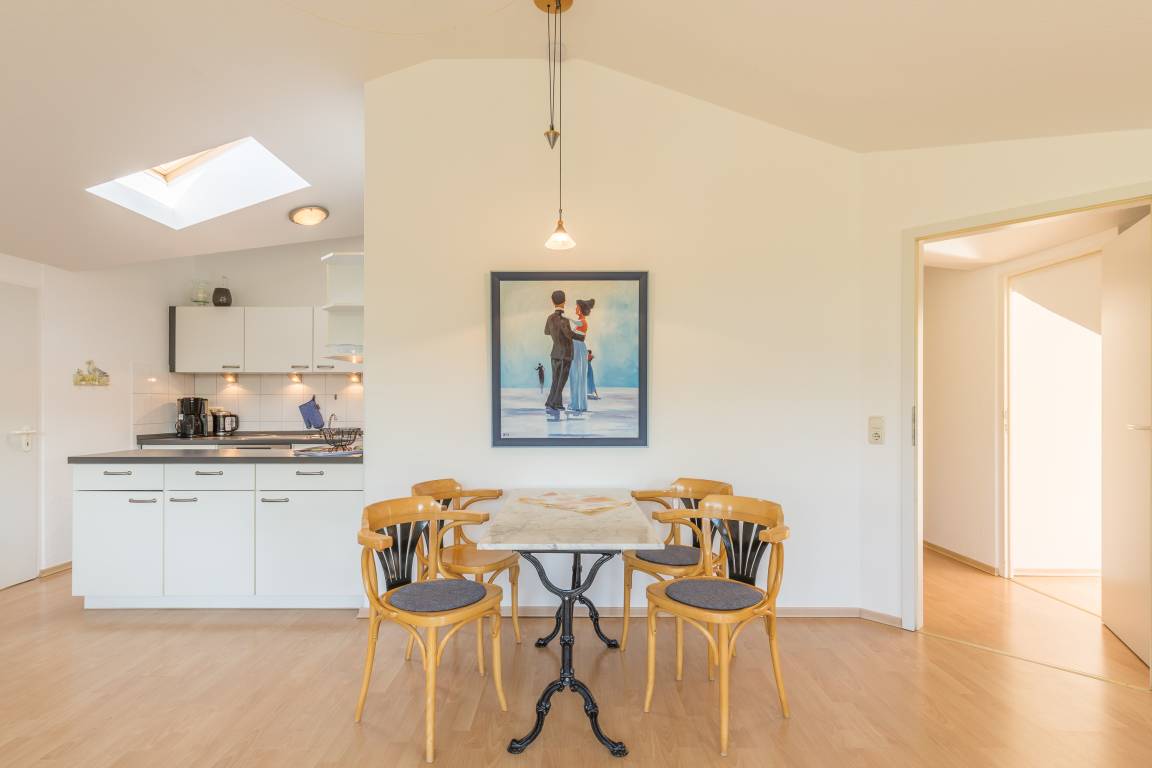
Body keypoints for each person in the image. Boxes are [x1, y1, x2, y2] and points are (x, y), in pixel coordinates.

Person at [543, 290, 584, 416]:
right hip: (565, 354)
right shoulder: (564, 320)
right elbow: (569, 334)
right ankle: (553, 403)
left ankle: (553, 402)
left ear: (552, 301)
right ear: (564, 301)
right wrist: (581, 337)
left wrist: (556, 334)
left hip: (554, 354)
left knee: (556, 380)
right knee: (560, 381)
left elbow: (546, 332)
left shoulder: (550, 318)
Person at [568, 298, 595, 413]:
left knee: (577, 375)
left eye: (577, 307)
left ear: (581, 309)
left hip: (578, 349)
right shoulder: (581, 321)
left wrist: (566, 318)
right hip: (577, 348)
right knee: (576, 375)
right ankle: (578, 403)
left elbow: (575, 323)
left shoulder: (582, 321)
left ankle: (577, 404)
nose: (575, 308)